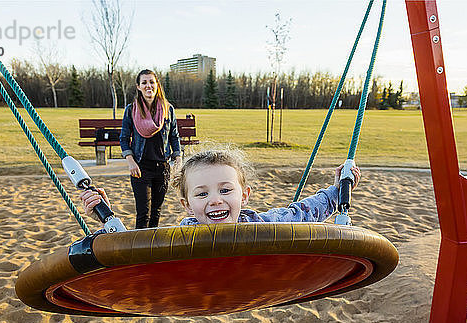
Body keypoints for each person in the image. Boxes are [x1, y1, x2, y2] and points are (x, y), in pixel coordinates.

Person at [81, 148, 361, 227]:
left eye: (225, 190)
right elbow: (135, 253)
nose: (215, 200)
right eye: (202, 194)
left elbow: (302, 213)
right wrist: (106, 218)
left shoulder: (262, 225)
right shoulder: (180, 239)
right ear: (187, 205)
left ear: (245, 195)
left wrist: (338, 192)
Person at [118, 69, 181, 229]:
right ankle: (140, 250)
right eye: (144, 82)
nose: (148, 86)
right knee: (143, 213)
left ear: (157, 85)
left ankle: (151, 249)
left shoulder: (168, 109)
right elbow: (124, 138)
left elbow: (174, 136)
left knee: (156, 211)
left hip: (162, 168)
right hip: (140, 168)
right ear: (138, 86)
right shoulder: (131, 110)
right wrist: (131, 162)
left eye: (151, 82)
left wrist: (177, 157)